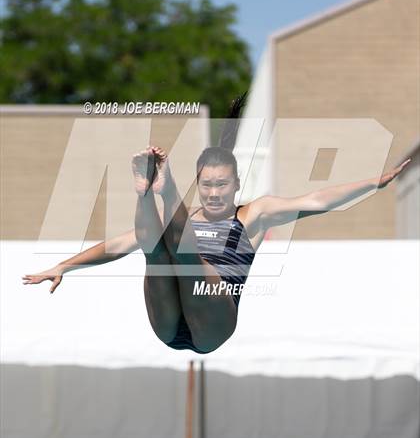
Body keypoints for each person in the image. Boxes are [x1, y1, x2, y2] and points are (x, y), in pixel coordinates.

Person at [23, 97, 411, 354]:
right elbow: (116, 246)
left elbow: (318, 200)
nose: (213, 193)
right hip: (169, 325)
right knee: (154, 250)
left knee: (185, 253)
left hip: (214, 322)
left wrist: (372, 184)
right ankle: (145, 191)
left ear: (237, 185)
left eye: (221, 184)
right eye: (206, 184)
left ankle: (164, 186)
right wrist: (64, 266)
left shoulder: (253, 215)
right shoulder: (186, 221)